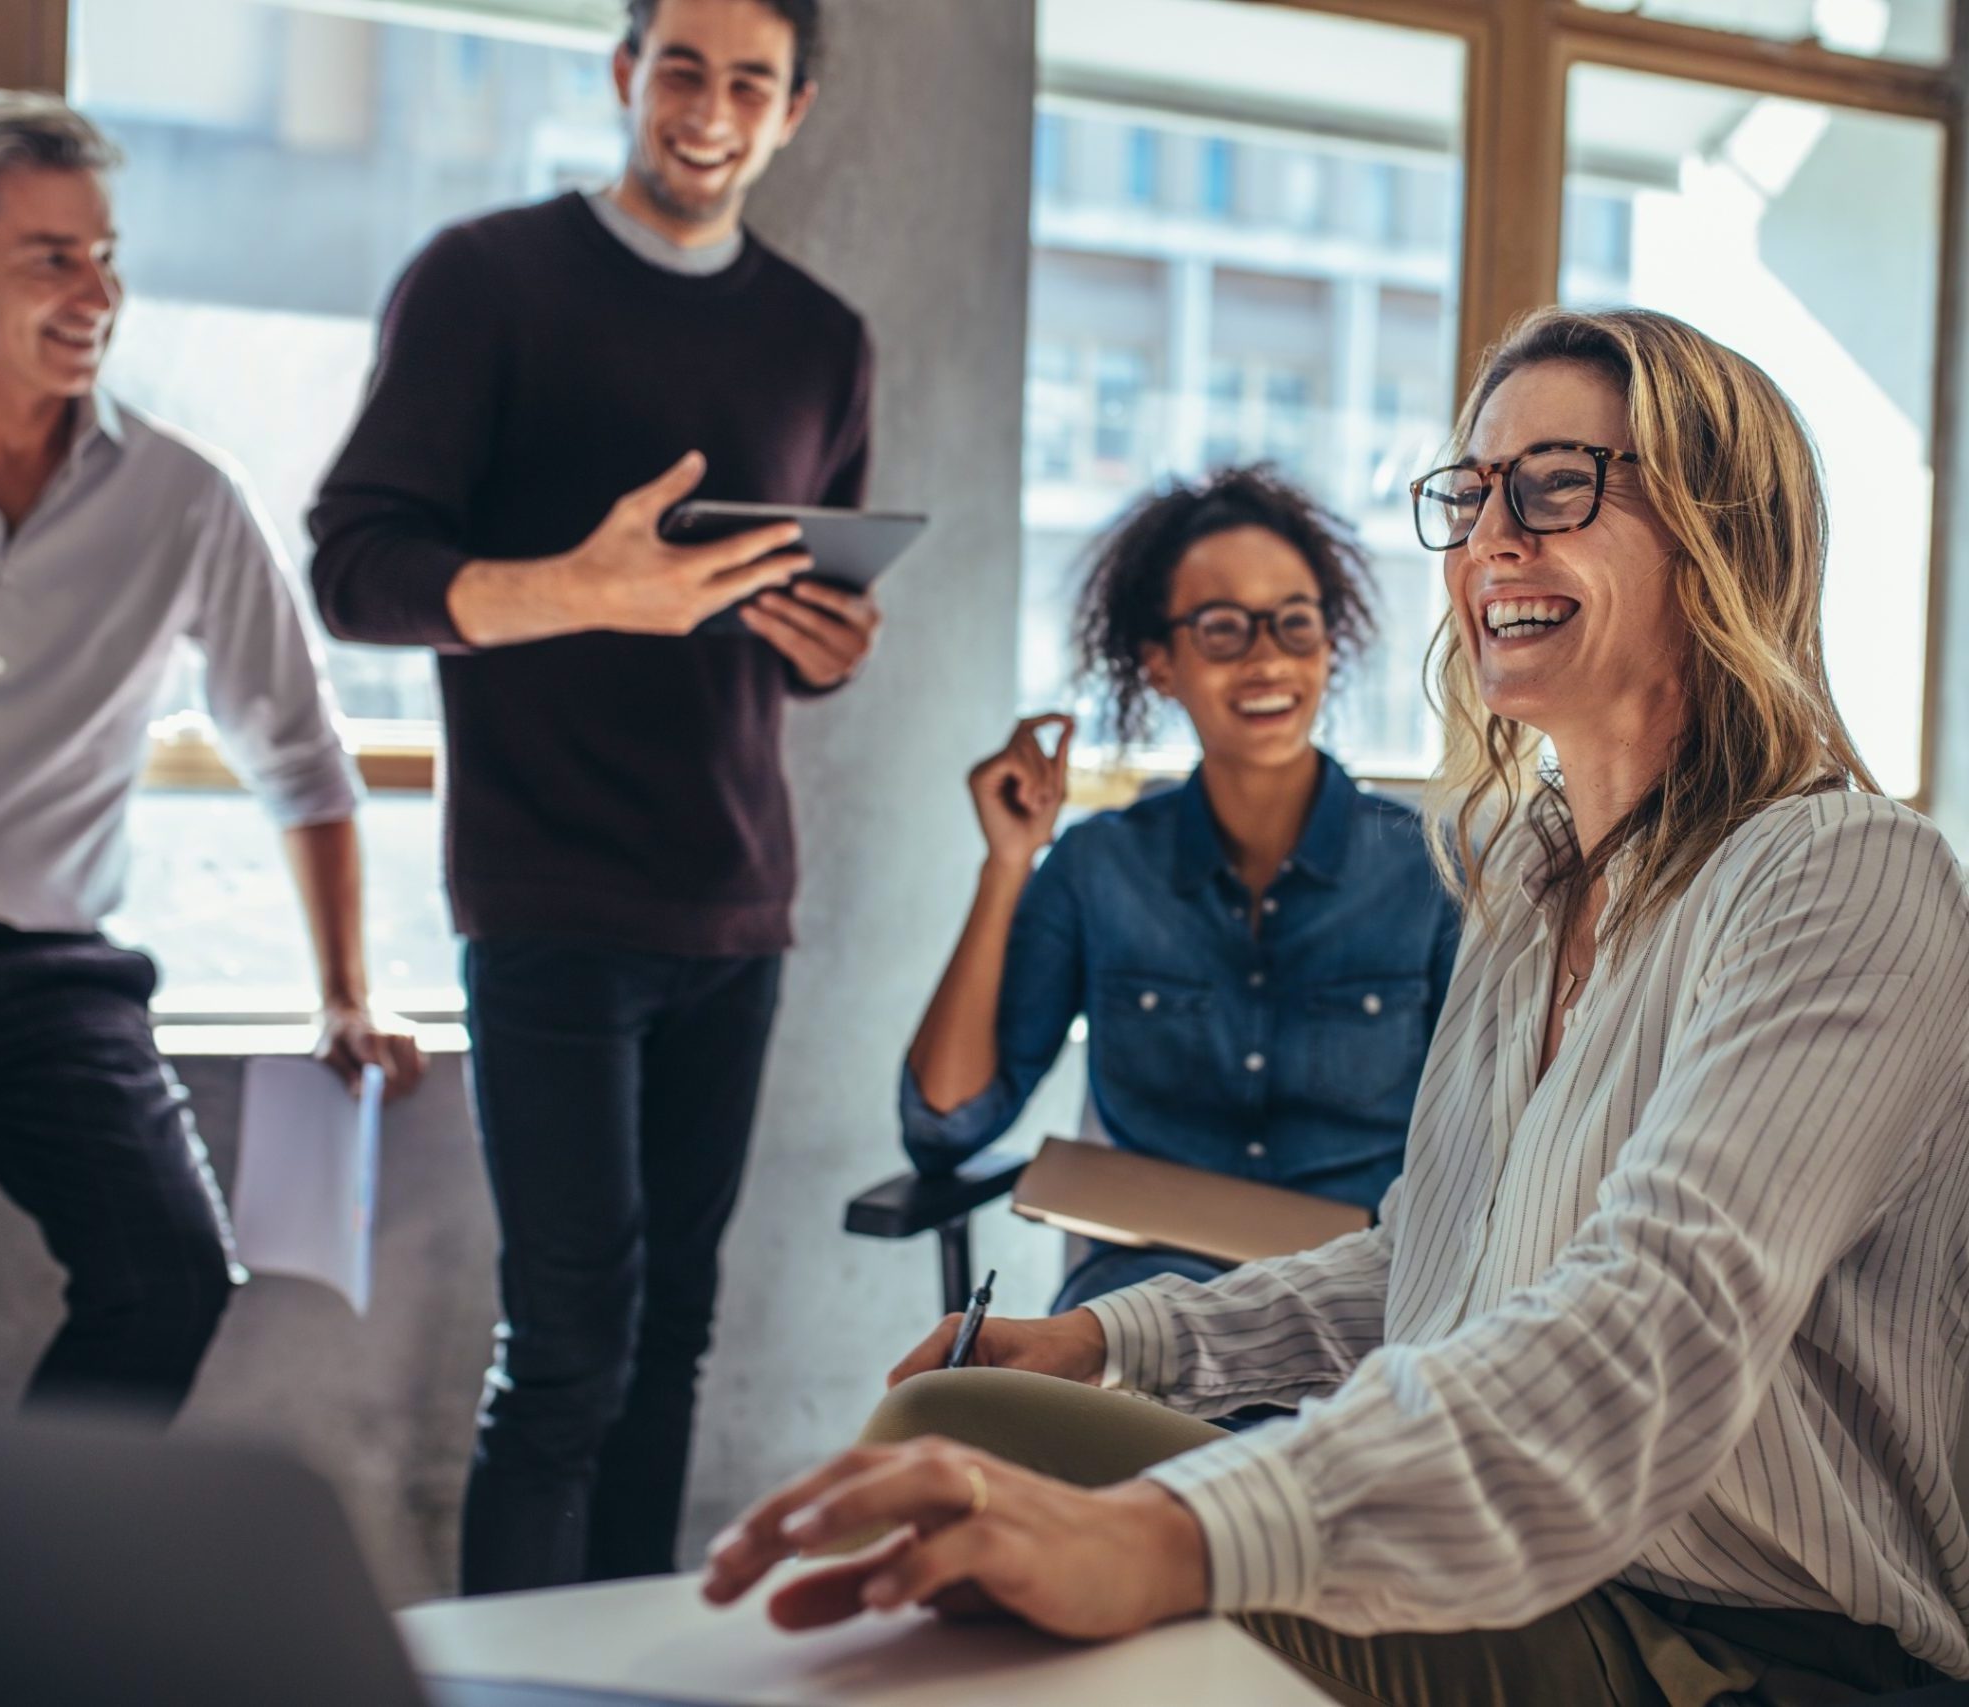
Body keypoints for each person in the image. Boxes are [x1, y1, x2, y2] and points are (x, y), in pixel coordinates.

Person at [703, 307, 1969, 1704]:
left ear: (1723, 530)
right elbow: (1428, 1264)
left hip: (1736, 1641)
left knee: (1025, 1563)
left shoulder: (1844, 872)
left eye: (1556, 483)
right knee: (954, 1419)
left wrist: (1169, 1532)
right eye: (1473, 492)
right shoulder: (1525, 880)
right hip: (1519, 1549)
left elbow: (1644, 1334)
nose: (1493, 537)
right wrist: (1117, 1338)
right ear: (1158, 665)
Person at [309, 0, 877, 1595]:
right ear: (626, 75)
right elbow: (356, 567)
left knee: (672, 1343)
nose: (708, 105)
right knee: (567, 1351)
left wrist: (830, 643)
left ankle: (631, 1669)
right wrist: (578, 588)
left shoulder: (825, 338)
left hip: (737, 895)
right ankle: (512, 1677)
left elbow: (793, 609)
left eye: (748, 81)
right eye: (680, 66)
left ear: (793, 113)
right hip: (547, 894)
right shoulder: (484, 281)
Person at [0, 91, 424, 1422]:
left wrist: (347, 994)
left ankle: (19, 1585)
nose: (98, 291)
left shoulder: (184, 499)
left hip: (44, 972)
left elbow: (302, 758)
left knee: (168, 1274)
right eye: (53, 258)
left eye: (107, 254)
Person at [902, 467, 1458, 1311]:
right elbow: (946, 1123)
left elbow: (1500, 1144)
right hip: (1139, 1309)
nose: (1268, 656)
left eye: (1295, 624)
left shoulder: (1433, 872)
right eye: (1223, 628)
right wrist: (1008, 862)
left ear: (1329, 645)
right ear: (1158, 663)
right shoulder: (1098, 868)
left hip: (1361, 1313)